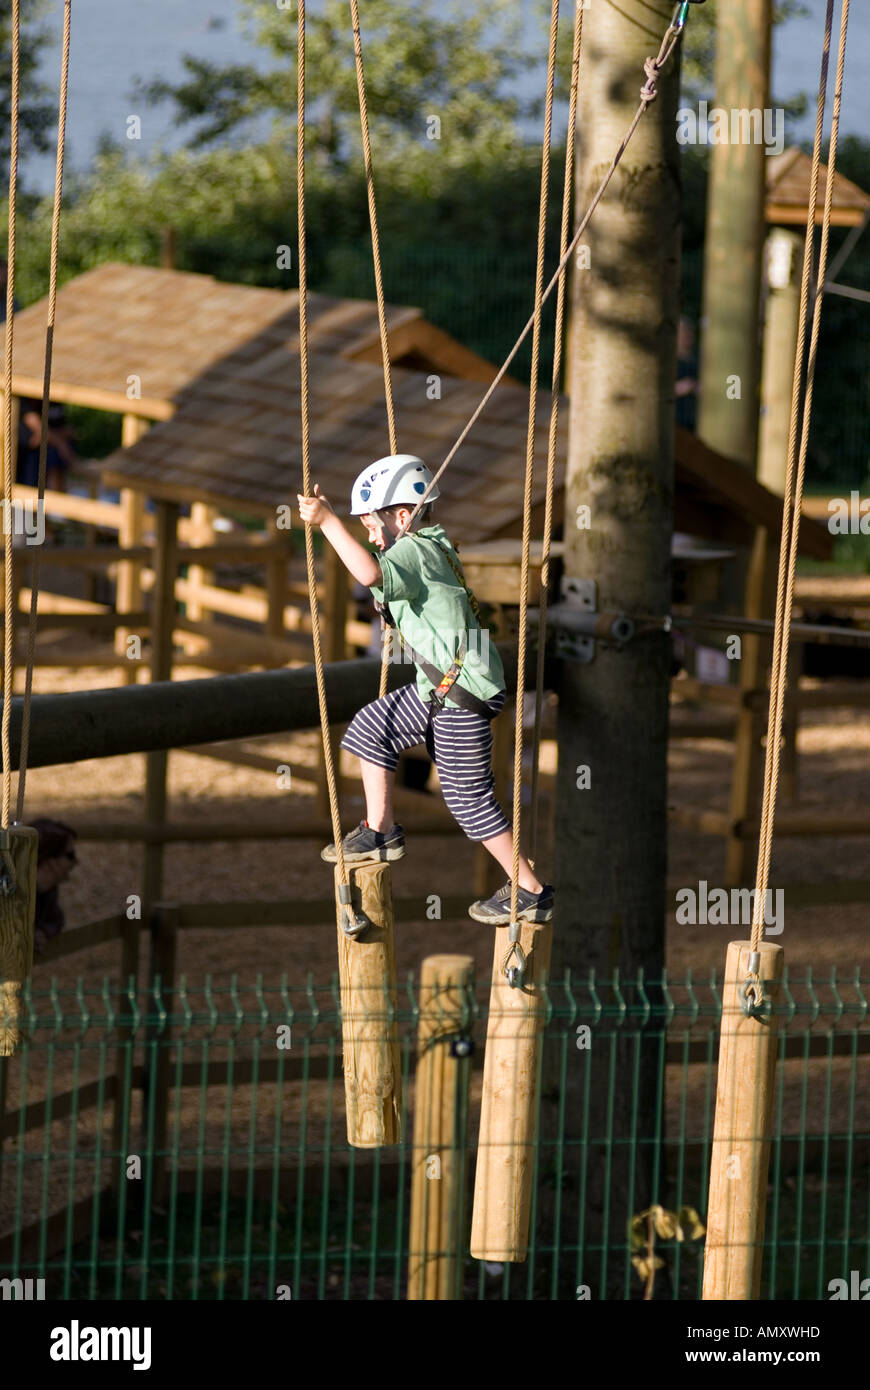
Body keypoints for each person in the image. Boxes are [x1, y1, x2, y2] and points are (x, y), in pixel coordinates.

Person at [297, 454, 553, 925]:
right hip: (442, 687)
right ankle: (381, 830)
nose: (371, 536)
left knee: (467, 799)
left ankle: (530, 889)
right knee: (370, 728)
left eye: (372, 524)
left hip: (460, 696)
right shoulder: (430, 546)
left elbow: (370, 575)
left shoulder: (413, 550)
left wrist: (328, 522)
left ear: (401, 516)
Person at [31, 817, 77, 956]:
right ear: (49, 857)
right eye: (70, 855)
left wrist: (41, 931)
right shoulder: (9, 884)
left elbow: (56, 919)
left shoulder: (48, 890)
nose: (76, 861)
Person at [17, 396, 77, 490]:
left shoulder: (54, 397)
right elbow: (36, 435)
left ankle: (54, 499)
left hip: (44, 450)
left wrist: (50, 436)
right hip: (27, 454)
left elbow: (70, 431)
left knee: (54, 458)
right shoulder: (24, 400)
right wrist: (60, 442)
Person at [675, 315, 698, 431]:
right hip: (676, 423)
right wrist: (679, 388)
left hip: (697, 422)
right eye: (683, 332)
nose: (687, 336)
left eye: (689, 332)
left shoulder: (701, 361)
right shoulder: (667, 363)